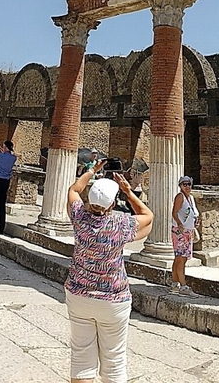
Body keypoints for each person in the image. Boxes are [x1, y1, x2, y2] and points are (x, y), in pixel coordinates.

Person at [65, 160, 153, 383]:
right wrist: (128, 192)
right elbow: (148, 217)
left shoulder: (78, 217)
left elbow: (73, 190)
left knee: (81, 358)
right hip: (113, 299)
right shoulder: (121, 224)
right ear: (113, 204)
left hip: (78, 294)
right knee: (114, 360)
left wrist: (91, 171)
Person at [170, 175, 200, 297]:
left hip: (188, 231)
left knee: (180, 258)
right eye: (184, 184)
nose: (187, 186)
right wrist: (179, 223)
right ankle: (183, 286)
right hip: (180, 231)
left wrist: (196, 222)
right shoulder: (180, 197)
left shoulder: (191, 198)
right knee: (181, 258)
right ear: (180, 186)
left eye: (189, 184)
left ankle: (175, 283)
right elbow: (174, 212)